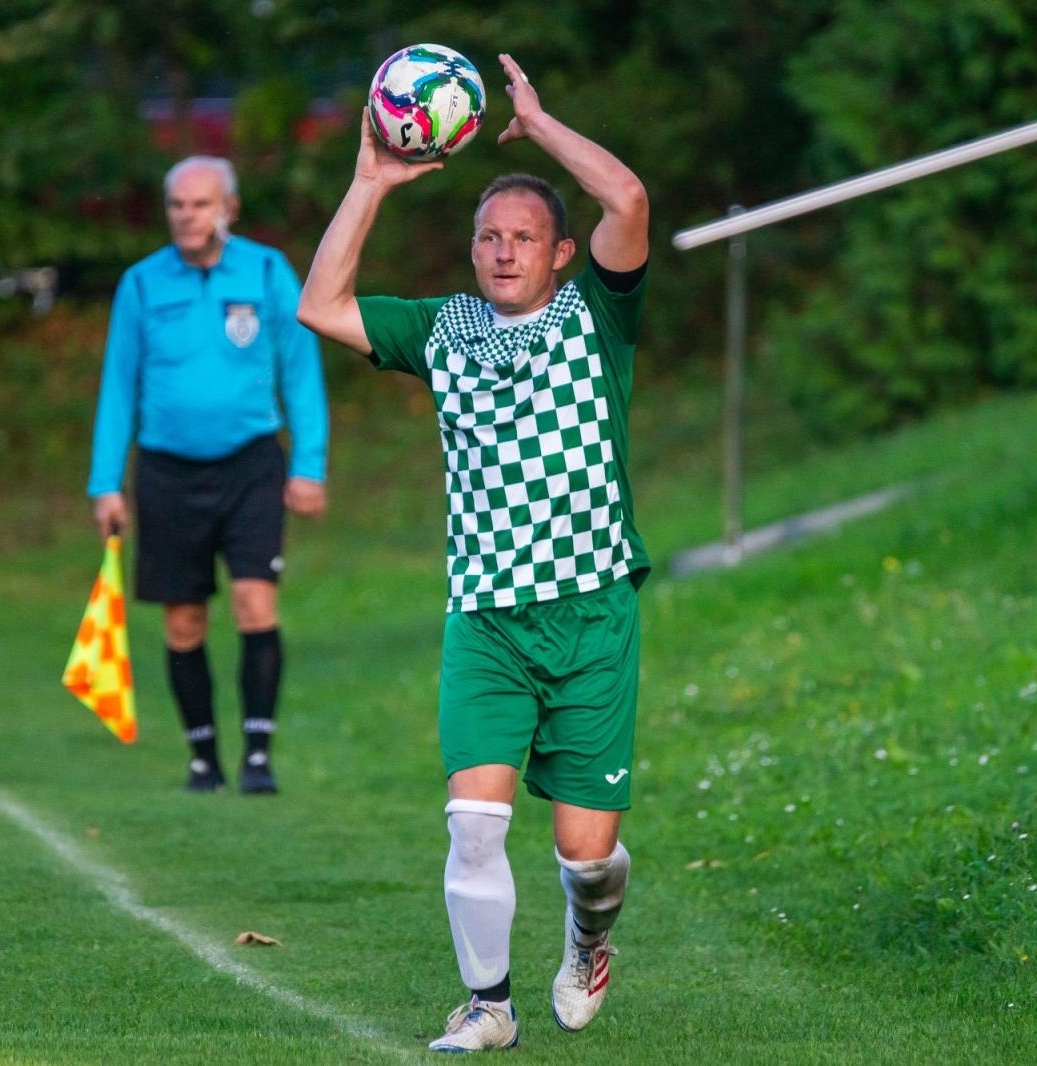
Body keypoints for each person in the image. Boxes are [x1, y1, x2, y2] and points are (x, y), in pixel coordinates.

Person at [297, 53, 650, 1053]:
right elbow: (320, 306)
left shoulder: (598, 319)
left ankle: (587, 940)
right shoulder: (442, 330)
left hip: (589, 615)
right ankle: (486, 1004)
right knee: (473, 822)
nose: (502, 253)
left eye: (524, 238)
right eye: (487, 237)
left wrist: (536, 124)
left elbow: (625, 193)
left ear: (562, 254)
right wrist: (368, 181)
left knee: (586, 858)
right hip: (485, 615)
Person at [88, 155, 328, 796]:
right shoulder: (141, 284)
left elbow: (301, 371)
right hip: (167, 472)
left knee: (255, 604)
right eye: (177, 205)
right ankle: (202, 758)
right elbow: (118, 385)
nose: (186, 216)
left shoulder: (268, 271)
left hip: (251, 464)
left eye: (199, 204)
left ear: (229, 208)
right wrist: (105, 482)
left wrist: (309, 465)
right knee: (183, 622)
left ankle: (256, 755)